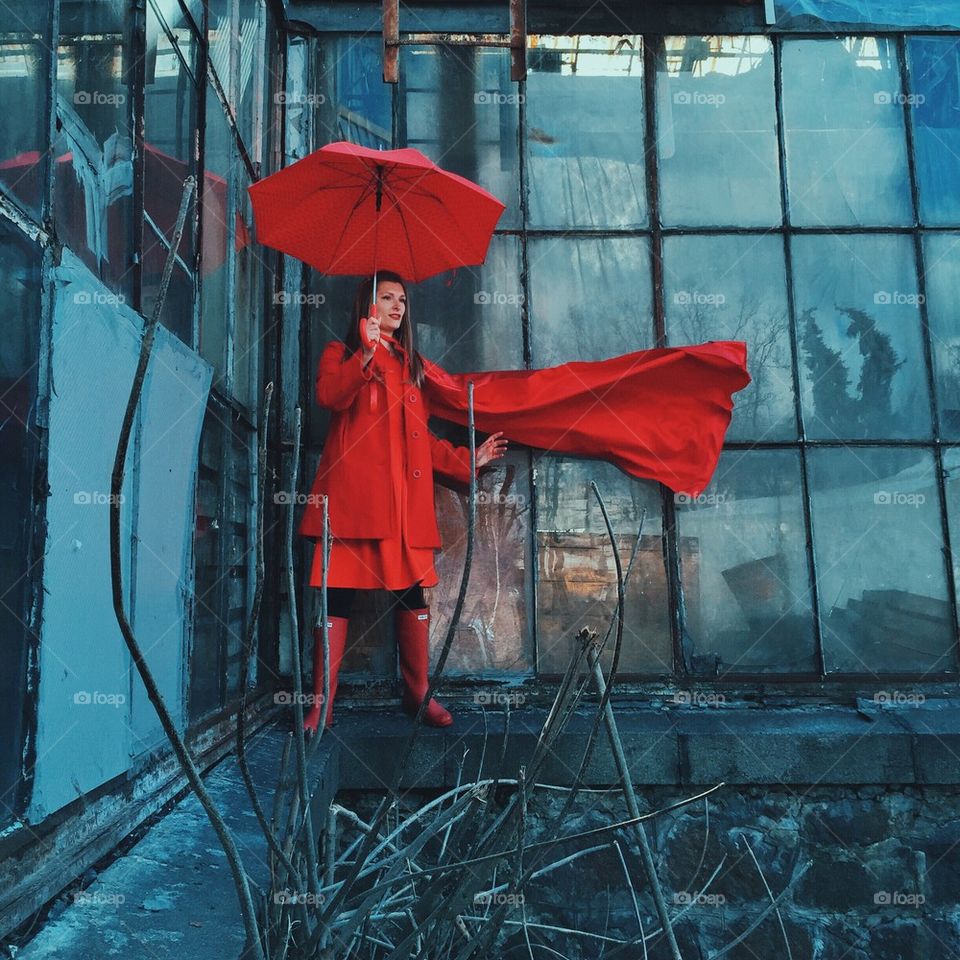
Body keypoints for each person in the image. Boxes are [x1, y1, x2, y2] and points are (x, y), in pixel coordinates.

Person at [297, 271, 508, 732]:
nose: (398, 306)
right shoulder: (341, 353)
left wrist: (467, 459)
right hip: (353, 503)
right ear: (368, 305)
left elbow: (420, 441)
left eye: (403, 300)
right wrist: (365, 352)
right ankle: (321, 706)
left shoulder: (411, 366)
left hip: (402, 507)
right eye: (388, 297)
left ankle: (417, 695)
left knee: (411, 593)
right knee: (336, 596)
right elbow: (330, 396)